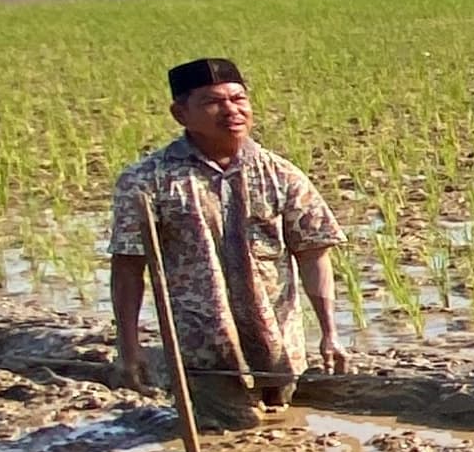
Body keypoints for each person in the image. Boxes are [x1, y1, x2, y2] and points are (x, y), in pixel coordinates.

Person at [108, 57, 347, 432]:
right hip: (203, 350)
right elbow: (127, 268)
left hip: (278, 345)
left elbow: (313, 253)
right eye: (212, 102)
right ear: (180, 114)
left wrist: (330, 333)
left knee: (285, 429)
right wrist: (129, 345)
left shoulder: (281, 174)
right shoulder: (147, 180)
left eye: (238, 99)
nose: (231, 110)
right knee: (231, 433)